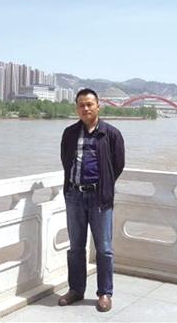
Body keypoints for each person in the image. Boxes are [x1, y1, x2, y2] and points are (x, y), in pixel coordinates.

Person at [57, 88, 125, 312]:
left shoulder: (111, 134)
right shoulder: (69, 133)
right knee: (76, 247)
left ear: (98, 106)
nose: (85, 108)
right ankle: (76, 290)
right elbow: (66, 161)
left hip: (99, 198)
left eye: (89, 104)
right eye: (81, 105)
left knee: (104, 249)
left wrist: (102, 185)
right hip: (74, 196)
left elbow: (118, 165)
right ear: (77, 108)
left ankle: (105, 293)